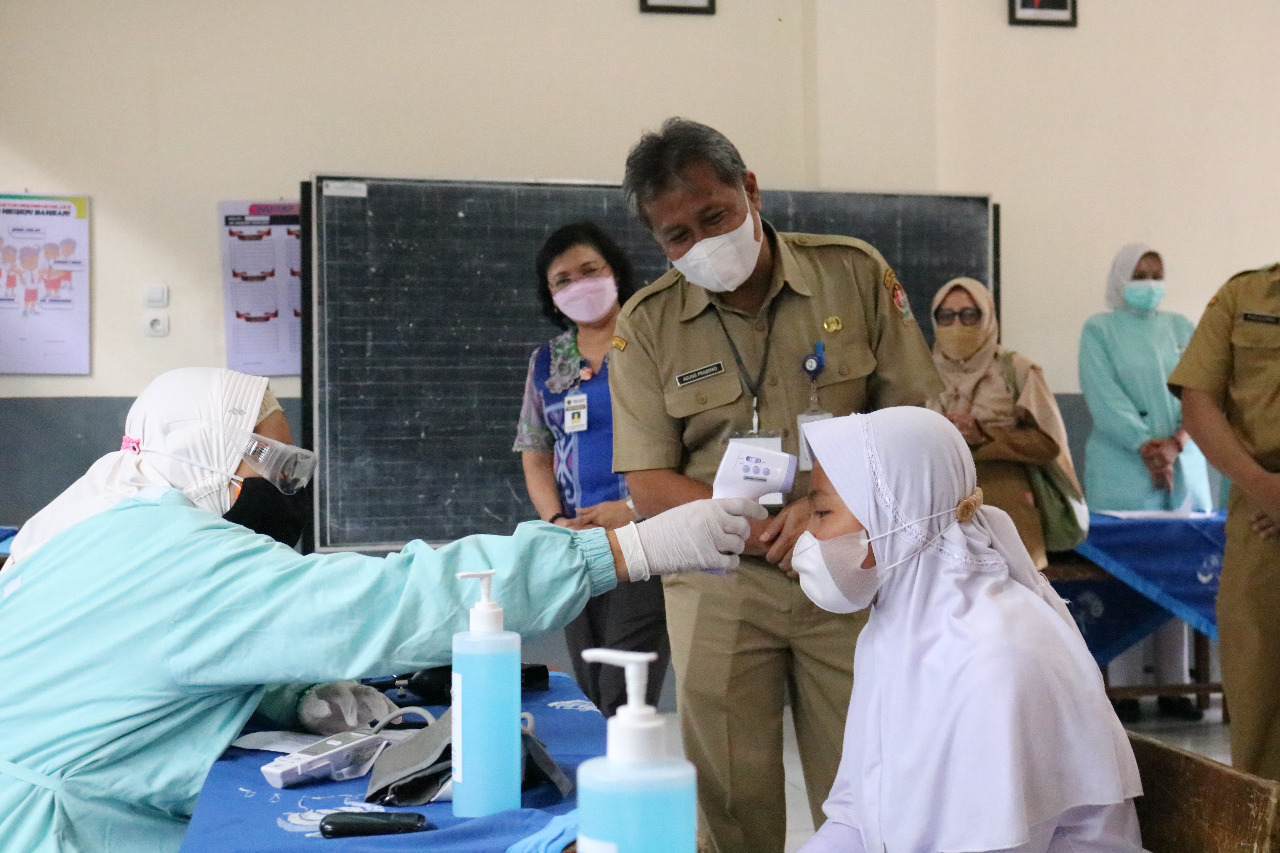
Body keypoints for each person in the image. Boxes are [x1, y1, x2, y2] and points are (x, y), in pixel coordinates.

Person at [0, 367, 765, 853]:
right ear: (208, 452)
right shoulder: (175, 554)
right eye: (275, 464)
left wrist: (288, 695)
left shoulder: (98, 521)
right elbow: (393, 599)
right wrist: (622, 552)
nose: (289, 489)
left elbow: (147, 669)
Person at [611, 117, 942, 852]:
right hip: (720, 582)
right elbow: (648, 480)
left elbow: (913, 419)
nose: (700, 242)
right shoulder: (648, 326)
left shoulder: (852, 274)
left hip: (853, 573)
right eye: (676, 235)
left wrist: (826, 511)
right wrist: (766, 529)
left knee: (870, 785)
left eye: (714, 217)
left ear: (750, 190)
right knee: (730, 800)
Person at [795, 407, 1143, 853]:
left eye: (822, 512)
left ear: (898, 515)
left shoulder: (996, 656)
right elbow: (856, 818)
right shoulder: (894, 630)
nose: (808, 534)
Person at [515, 221, 669, 716]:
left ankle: (621, 780)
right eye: (563, 280)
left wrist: (632, 508)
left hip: (643, 534)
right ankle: (604, 780)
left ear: (615, 272)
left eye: (589, 270)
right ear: (550, 294)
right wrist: (556, 523)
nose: (578, 285)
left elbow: (691, 444)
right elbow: (535, 451)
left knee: (625, 685)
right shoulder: (548, 362)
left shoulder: (655, 343)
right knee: (588, 681)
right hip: (576, 543)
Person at [1079, 244, 1213, 723]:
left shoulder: (1180, 327)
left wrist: (1176, 443)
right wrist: (1145, 445)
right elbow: (1103, 394)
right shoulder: (1100, 329)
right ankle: (1128, 688)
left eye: (1157, 273)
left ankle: (1176, 686)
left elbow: (1201, 391)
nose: (1149, 282)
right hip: (1121, 471)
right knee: (1126, 575)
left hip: (1185, 465)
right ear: (1120, 278)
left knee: (1179, 573)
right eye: (1139, 273)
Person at [1169, 262, 1280, 782]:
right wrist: (1267, 489)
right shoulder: (1246, 293)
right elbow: (1199, 404)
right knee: (1260, 699)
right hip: (1263, 519)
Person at [925, 277, 1081, 569]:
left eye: (969, 315)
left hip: (1007, 514)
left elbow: (1048, 444)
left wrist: (984, 436)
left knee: (1015, 608)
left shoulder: (1015, 369)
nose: (957, 324)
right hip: (936, 515)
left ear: (987, 316)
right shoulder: (918, 372)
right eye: (946, 316)